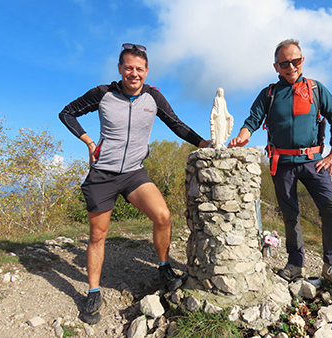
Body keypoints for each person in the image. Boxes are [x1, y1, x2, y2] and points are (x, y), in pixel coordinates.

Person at [59, 43, 210, 324]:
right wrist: (89, 142)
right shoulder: (103, 94)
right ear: (120, 69)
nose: (134, 73)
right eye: (128, 67)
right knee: (97, 235)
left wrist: (203, 142)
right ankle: (93, 291)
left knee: (163, 216)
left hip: (133, 173)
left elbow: (176, 124)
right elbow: (66, 113)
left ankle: (164, 267)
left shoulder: (153, 97)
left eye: (139, 69)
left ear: (146, 71)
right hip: (103, 174)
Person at [228, 39, 332, 296]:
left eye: (295, 61)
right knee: (290, 214)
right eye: (284, 63)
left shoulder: (316, 89)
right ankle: (295, 265)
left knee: (331, 208)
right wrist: (242, 136)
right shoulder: (269, 93)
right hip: (281, 163)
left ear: (302, 60)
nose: (291, 66)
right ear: (276, 66)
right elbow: (253, 119)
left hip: (314, 162)